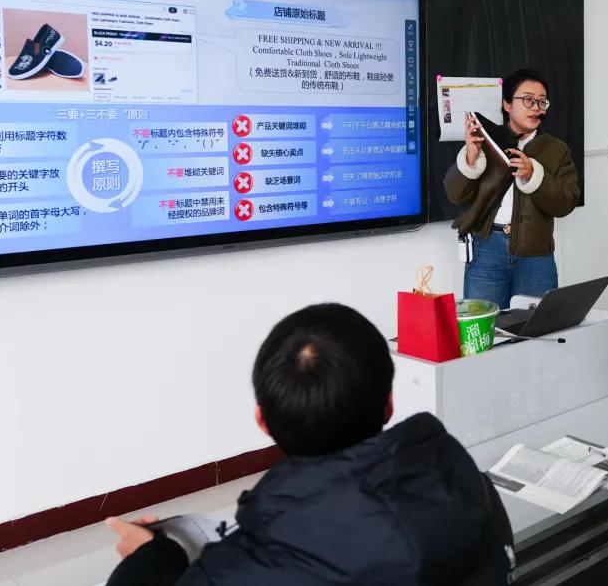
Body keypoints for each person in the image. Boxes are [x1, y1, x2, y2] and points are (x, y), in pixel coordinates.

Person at [105, 304, 513, 585]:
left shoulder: (251, 565)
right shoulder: (470, 487)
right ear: (389, 403)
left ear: (262, 421)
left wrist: (151, 560)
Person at [444, 68, 580, 310]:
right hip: (486, 249)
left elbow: (566, 203)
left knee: (536, 325)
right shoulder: (485, 141)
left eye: (542, 101)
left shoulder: (556, 149)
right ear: (507, 104)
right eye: (528, 100)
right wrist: (471, 158)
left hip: (536, 254)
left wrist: (533, 175)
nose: (536, 108)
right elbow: (455, 195)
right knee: (484, 324)